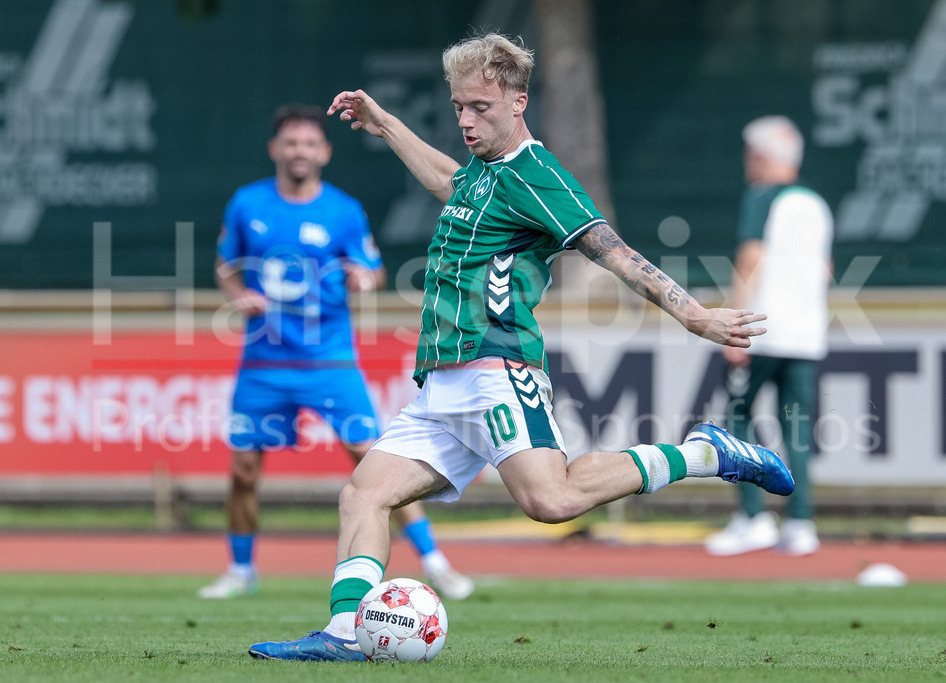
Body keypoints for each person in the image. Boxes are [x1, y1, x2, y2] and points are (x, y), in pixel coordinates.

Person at [248, 34, 794, 662]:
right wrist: (388, 125)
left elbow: (612, 251)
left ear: (517, 101)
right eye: (458, 107)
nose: (465, 120)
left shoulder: (539, 175)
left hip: (495, 366)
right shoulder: (483, 174)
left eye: (479, 106)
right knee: (363, 493)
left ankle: (703, 453)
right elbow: (451, 182)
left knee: (551, 499)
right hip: (441, 383)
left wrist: (695, 314)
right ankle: (344, 634)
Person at [199, 104, 474, 601]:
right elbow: (225, 266)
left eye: (309, 143)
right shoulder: (247, 203)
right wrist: (238, 293)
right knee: (243, 470)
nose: (299, 151)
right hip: (264, 363)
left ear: (323, 152)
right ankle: (241, 570)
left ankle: (436, 562)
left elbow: (371, 270)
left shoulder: (343, 210)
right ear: (275, 149)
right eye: (291, 142)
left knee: (374, 462)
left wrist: (364, 280)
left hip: (329, 361)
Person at [704, 116, 833, 557]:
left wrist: (734, 327)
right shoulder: (816, 204)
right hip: (806, 334)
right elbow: (825, 270)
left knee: (736, 417)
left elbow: (751, 256)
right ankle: (802, 522)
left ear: (760, 157)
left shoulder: (763, 197)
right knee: (797, 427)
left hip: (763, 330)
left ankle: (754, 515)